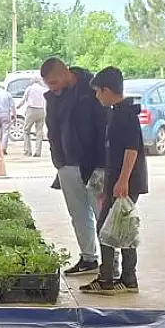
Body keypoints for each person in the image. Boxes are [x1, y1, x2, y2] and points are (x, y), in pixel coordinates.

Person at [84, 66, 147, 296]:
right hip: (119, 178)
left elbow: (132, 150)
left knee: (108, 227)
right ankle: (128, 278)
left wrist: (122, 180)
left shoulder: (125, 114)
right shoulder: (117, 111)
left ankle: (107, 278)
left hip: (125, 180)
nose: (97, 97)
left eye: (98, 92)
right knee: (121, 226)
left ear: (107, 90)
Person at [41, 57, 107, 275]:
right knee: (77, 213)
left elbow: (103, 127)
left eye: (53, 82)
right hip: (66, 165)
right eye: (48, 84)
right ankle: (88, 258)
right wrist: (57, 161)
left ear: (65, 73)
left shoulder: (92, 89)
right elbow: (52, 130)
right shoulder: (53, 97)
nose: (52, 87)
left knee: (101, 214)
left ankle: (110, 264)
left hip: (94, 164)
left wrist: (102, 163)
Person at [18, 79, 47, 157]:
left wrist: (18, 106)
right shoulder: (43, 89)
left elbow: (23, 100)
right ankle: (38, 152)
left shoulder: (29, 88)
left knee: (26, 130)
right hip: (41, 110)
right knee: (39, 131)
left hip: (31, 110)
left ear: (32, 81)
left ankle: (28, 151)